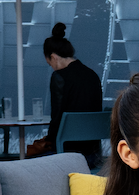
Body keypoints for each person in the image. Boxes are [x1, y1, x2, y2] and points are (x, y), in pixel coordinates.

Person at [44, 23, 105, 164]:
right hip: (93, 154)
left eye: (50, 64)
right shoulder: (92, 75)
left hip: (66, 154)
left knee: (30, 159)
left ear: (53, 57)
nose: (52, 68)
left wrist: (48, 140)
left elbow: (57, 115)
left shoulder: (59, 77)